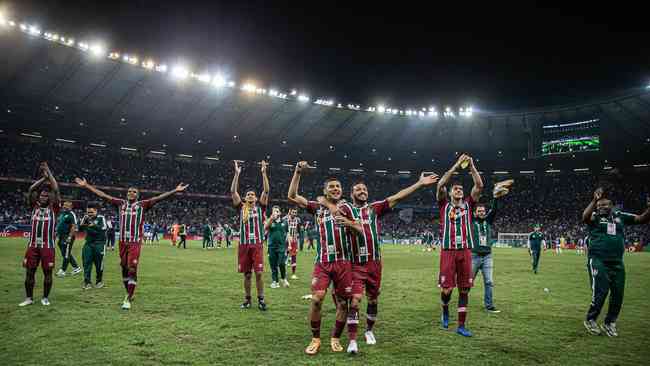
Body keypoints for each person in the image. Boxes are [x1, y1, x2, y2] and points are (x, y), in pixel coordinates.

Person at [332, 172, 438, 350]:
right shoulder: (347, 209)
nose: (362, 191)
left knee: (373, 300)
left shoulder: (374, 208)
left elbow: (398, 196)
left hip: (375, 263)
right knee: (356, 300)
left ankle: (369, 330)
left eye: (364, 189)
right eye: (358, 189)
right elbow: (332, 208)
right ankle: (352, 340)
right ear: (351, 194)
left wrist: (419, 183)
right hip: (356, 263)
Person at [74, 177, 188, 310]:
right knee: (124, 268)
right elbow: (104, 196)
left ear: (137, 195)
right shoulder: (120, 203)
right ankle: (128, 291)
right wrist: (87, 185)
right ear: (126, 194)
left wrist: (175, 190)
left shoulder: (143, 205)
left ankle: (128, 297)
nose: (131, 193)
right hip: (122, 242)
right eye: (129, 191)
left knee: (132, 268)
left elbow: (159, 198)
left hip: (134, 242)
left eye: (134, 192)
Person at [288, 161, 364, 355]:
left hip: (343, 263)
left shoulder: (347, 207)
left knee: (342, 303)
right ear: (325, 190)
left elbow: (360, 230)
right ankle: (315, 338)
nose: (336, 189)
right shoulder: (316, 208)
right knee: (316, 299)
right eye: (331, 187)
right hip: (323, 262)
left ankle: (336, 337)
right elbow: (292, 196)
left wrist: (347, 222)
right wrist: (297, 172)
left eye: (338, 186)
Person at [581, 188, 650, 337]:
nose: (601, 207)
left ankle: (609, 322)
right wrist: (594, 201)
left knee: (618, 294)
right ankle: (590, 319)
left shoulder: (620, 216)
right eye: (599, 206)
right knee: (601, 291)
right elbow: (584, 217)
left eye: (604, 205)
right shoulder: (595, 217)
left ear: (611, 206)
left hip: (617, 262)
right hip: (598, 260)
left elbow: (641, 219)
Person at [435, 154, 484, 337]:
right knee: (447, 290)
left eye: (460, 189)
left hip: (465, 251)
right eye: (455, 188)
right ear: (450, 193)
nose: (458, 190)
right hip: (448, 252)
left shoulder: (469, 206)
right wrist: (456, 164)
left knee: (464, 288)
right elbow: (440, 185)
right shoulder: (443, 206)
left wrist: (471, 166)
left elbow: (479, 186)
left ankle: (461, 325)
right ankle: (445, 308)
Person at [19, 162, 60, 307]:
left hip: (48, 246)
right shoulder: (34, 206)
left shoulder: (54, 208)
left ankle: (45, 298)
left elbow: (55, 189)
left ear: (50, 198)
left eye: (46, 196)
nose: (43, 197)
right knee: (29, 272)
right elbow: (31, 189)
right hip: (33, 246)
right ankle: (29, 298)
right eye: (42, 195)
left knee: (47, 273)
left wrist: (48, 172)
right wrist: (43, 179)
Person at [231, 160, 269, 311]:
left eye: (253, 194)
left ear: (256, 198)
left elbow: (266, 191)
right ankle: (247, 300)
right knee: (247, 275)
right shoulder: (241, 208)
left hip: (257, 244)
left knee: (259, 273)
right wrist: (236, 174)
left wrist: (264, 173)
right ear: (245, 198)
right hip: (244, 245)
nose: (251, 196)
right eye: (248, 195)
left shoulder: (261, 208)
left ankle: (261, 299)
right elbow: (233, 192)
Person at [471, 181, 512, 314]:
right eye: (479, 211)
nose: (482, 212)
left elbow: (494, 210)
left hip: (487, 256)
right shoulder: (471, 222)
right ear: (475, 212)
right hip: (474, 256)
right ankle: (462, 302)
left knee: (489, 282)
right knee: (468, 282)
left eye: (483, 211)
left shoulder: (488, 220)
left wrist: (495, 197)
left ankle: (489, 305)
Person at [78, 203, 107, 290]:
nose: (89, 214)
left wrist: (94, 225)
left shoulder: (101, 218)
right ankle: (87, 282)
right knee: (86, 263)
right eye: (88, 212)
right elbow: (80, 229)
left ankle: (99, 281)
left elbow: (104, 228)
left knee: (99, 264)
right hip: (88, 243)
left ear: (96, 211)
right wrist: (83, 224)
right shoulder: (85, 218)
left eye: (91, 212)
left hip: (99, 244)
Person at [55, 200, 82, 277]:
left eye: (67, 205)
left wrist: (70, 237)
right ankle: (76, 267)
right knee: (65, 253)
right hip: (61, 236)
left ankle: (62, 270)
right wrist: (57, 232)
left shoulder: (71, 214)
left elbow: (74, 226)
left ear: (71, 207)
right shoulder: (63, 213)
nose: (64, 206)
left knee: (66, 253)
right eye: (64, 205)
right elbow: (60, 223)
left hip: (67, 236)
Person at [265, 206, 289, 288]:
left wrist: (289, 244)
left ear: (280, 213)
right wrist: (271, 218)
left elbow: (287, 233)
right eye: (274, 211)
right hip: (271, 246)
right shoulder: (270, 221)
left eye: (277, 211)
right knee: (273, 265)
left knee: (282, 263)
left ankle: (283, 278)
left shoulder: (284, 222)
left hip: (281, 246)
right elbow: (266, 227)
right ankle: (275, 281)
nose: (276, 212)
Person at [285, 208, 301, 280]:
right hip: (285, 240)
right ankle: (283, 272)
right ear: (290, 212)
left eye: (295, 212)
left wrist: (297, 238)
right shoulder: (285, 219)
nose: (294, 214)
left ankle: (293, 274)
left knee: (294, 256)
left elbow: (298, 230)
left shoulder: (298, 220)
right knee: (284, 256)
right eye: (293, 212)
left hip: (294, 241)